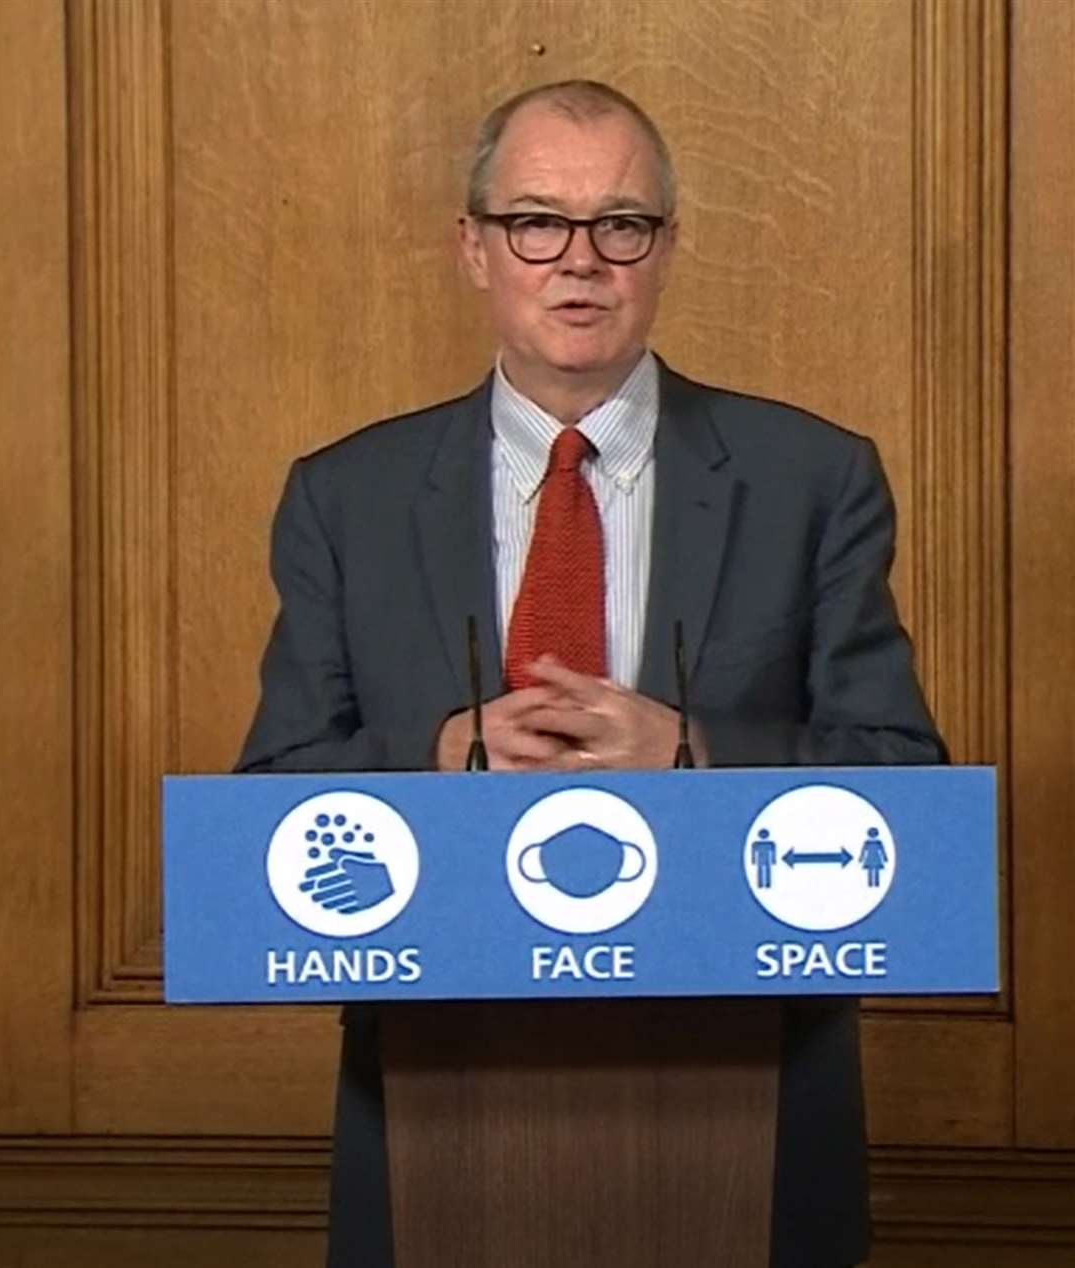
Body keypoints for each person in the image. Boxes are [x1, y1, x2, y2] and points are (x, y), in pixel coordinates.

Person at [238, 79, 944, 1268]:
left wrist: (693, 753)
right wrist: (442, 754)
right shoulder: (344, 497)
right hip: (435, 1095)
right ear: (475, 248)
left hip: (747, 1083)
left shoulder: (811, 478)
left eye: (623, 225)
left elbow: (902, 782)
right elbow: (273, 797)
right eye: (536, 223)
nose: (581, 263)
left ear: (666, 250)